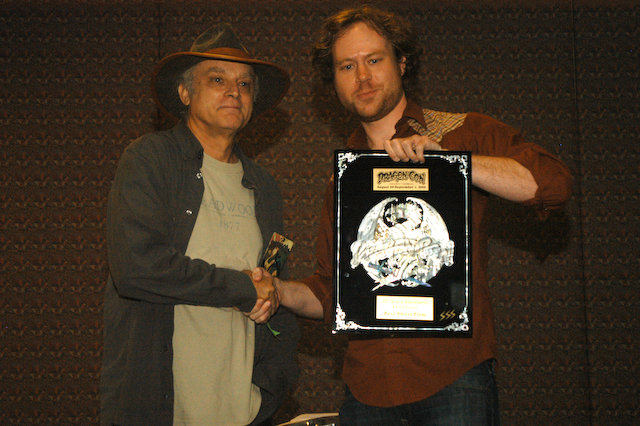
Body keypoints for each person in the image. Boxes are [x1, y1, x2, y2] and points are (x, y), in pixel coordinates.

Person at [254, 6, 573, 425]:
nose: (362, 77)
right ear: (333, 81)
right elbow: (330, 291)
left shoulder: (459, 131)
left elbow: (552, 183)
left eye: (374, 60)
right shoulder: (345, 177)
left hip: (455, 380)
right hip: (367, 390)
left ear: (401, 63)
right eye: (347, 66)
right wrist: (277, 290)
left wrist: (453, 164)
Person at [100, 23, 299, 426]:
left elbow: (273, 286)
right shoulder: (149, 159)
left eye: (244, 84)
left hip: (243, 409)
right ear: (185, 93)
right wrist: (243, 287)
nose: (233, 91)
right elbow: (137, 268)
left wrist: (272, 388)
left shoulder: (265, 185)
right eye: (217, 79)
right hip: (160, 406)